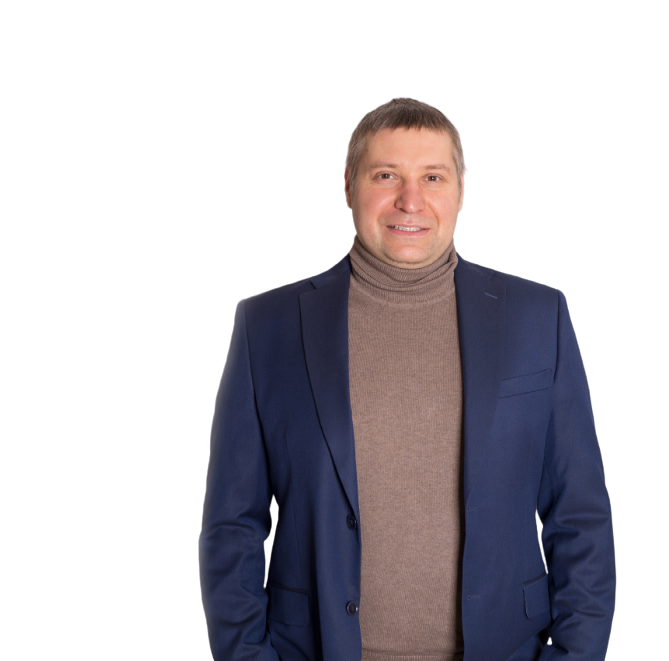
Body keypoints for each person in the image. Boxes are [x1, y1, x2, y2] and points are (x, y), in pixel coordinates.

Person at [200, 97, 615, 661]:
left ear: (461, 190)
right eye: (386, 175)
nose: (410, 200)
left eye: (432, 177)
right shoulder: (267, 326)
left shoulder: (537, 317)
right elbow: (232, 525)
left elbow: (580, 515)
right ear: (348, 185)